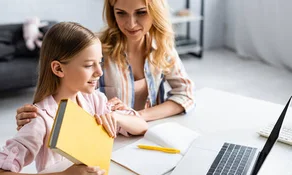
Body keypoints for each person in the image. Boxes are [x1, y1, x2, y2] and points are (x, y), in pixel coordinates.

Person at [0, 22, 148, 175]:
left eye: (99, 63)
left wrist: (117, 117)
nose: (99, 72)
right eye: (89, 65)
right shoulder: (40, 119)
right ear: (58, 68)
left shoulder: (95, 100)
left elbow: (142, 127)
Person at [15, 0, 195, 130]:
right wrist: (39, 115)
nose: (131, 24)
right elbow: (62, 92)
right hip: (109, 141)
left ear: (155, 10)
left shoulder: (163, 47)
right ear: (112, 11)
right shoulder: (95, 50)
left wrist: (137, 117)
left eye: (141, 12)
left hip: (149, 132)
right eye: (121, 13)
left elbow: (185, 94)